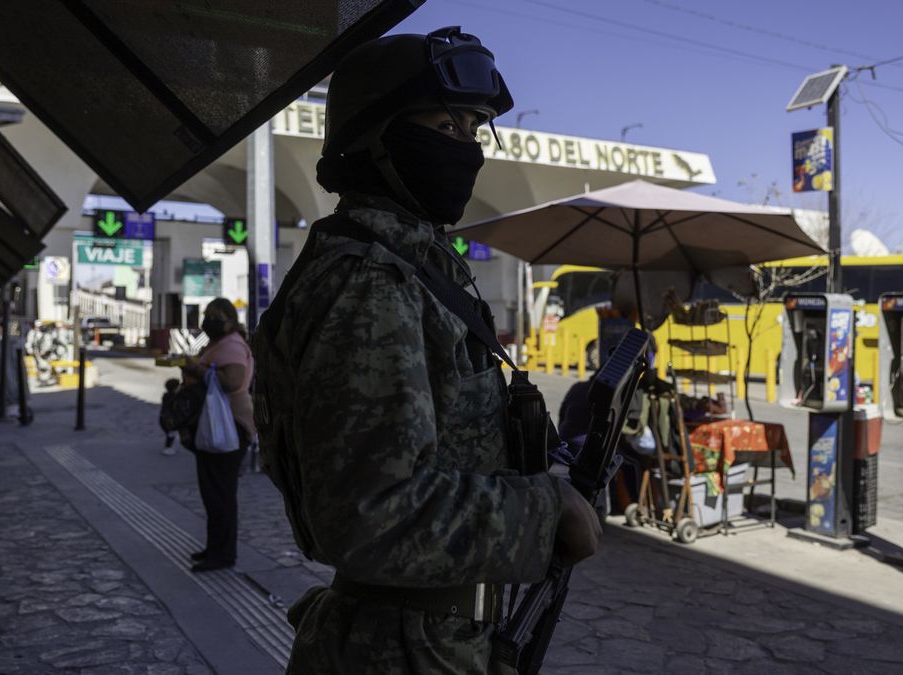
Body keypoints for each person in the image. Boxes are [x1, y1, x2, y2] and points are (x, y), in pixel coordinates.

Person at [253, 27, 601, 673]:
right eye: (448, 125)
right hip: (401, 648)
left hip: (431, 639)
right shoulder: (369, 283)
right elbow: (368, 514)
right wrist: (546, 509)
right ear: (377, 137)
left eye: (475, 130)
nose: (466, 149)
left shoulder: (415, 270)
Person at [179, 298, 254, 572]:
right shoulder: (221, 343)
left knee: (220, 492)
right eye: (208, 315)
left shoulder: (232, 345)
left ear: (231, 320)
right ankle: (215, 547)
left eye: (216, 317)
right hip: (217, 424)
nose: (210, 321)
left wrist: (196, 369)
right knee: (212, 491)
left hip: (228, 425)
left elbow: (233, 381)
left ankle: (222, 554)